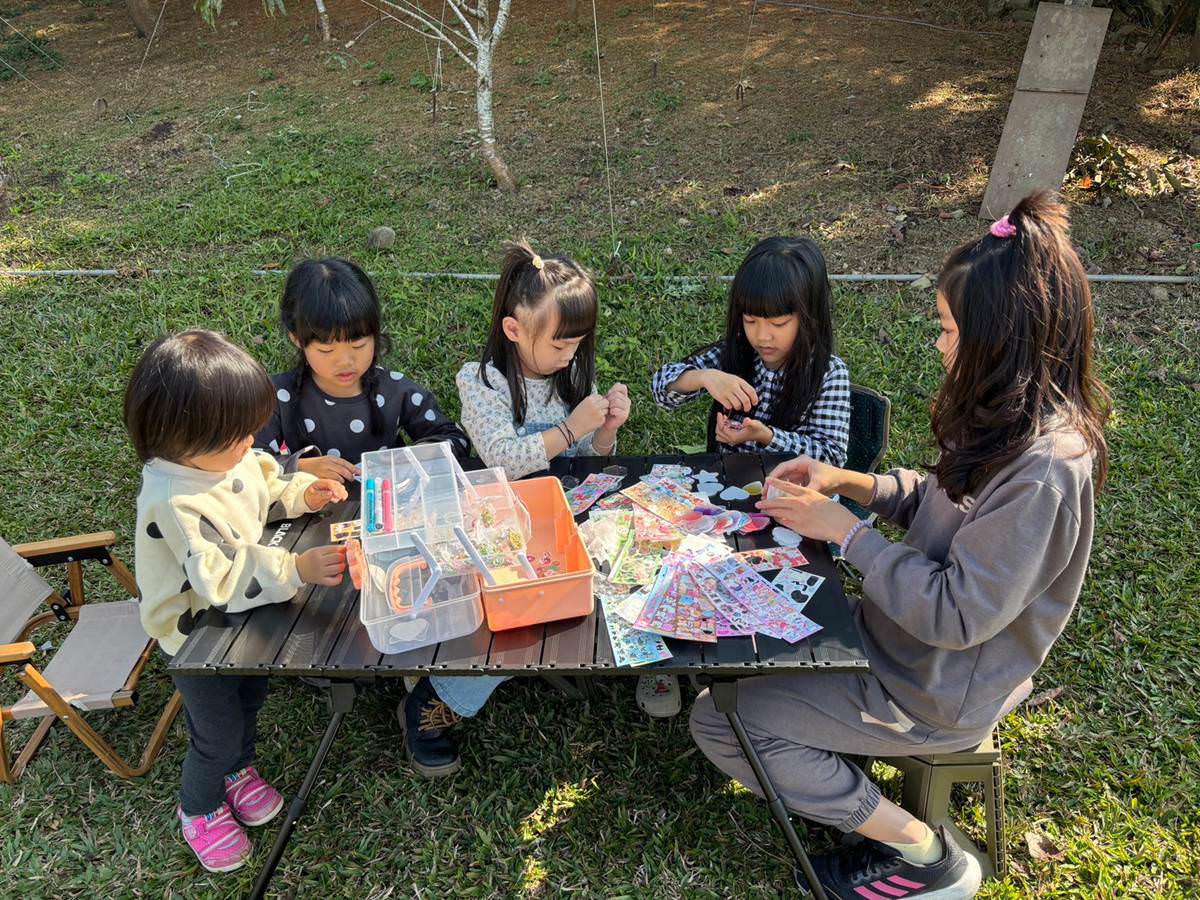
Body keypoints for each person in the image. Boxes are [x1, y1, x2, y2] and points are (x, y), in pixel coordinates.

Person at [690, 193, 1109, 899]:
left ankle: (923, 853)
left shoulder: (1045, 472)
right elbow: (932, 497)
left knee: (717, 719)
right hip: (898, 645)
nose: (941, 346)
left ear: (1002, 339)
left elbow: (956, 614)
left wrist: (847, 532)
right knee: (741, 650)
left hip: (930, 689)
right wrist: (847, 482)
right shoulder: (1006, 416)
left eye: (949, 331)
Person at [125, 329, 348, 873]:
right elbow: (218, 576)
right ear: (183, 438)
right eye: (238, 436)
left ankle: (237, 770)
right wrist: (294, 568)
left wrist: (302, 493)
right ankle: (199, 807)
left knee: (250, 698)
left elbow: (265, 488)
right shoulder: (175, 500)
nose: (251, 444)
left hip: (242, 615)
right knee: (216, 733)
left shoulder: (224, 458)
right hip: (197, 634)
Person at [255, 256, 469, 480]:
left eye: (358, 345)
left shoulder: (396, 391)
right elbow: (246, 464)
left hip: (389, 499)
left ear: (375, 335)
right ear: (297, 340)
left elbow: (455, 439)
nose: (345, 361)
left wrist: (415, 456)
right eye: (327, 350)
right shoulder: (277, 397)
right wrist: (300, 467)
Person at [651, 236, 850, 462]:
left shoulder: (828, 372)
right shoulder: (738, 352)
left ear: (809, 316)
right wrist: (704, 377)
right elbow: (661, 389)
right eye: (750, 320)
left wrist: (766, 436)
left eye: (778, 324)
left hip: (791, 485)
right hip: (729, 479)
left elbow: (832, 457)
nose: (762, 336)